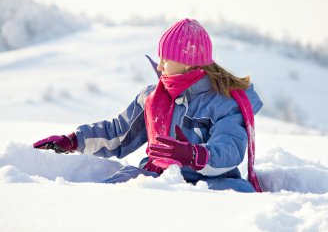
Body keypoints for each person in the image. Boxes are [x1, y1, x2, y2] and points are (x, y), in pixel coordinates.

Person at [33, 18, 264, 193]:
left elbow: (230, 149)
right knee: (111, 193)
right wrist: (74, 140)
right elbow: (118, 133)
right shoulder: (152, 97)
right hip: (157, 179)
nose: (160, 66)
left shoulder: (223, 103)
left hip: (210, 185)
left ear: (187, 62)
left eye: (166, 59)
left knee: (239, 195)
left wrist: (193, 154)